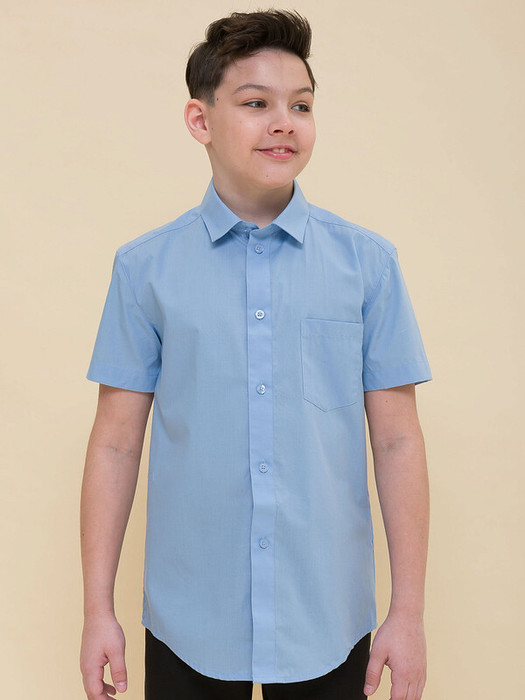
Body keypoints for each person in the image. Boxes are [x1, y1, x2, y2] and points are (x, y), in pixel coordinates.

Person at [80, 9, 431, 700]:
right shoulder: (144, 269)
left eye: (300, 105)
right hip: (189, 617)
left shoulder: (368, 265)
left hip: (327, 614)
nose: (283, 123)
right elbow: (115, 443)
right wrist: (98, 612)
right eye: (255, 104)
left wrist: (408, 613)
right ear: (200, 120)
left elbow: (396, 440)